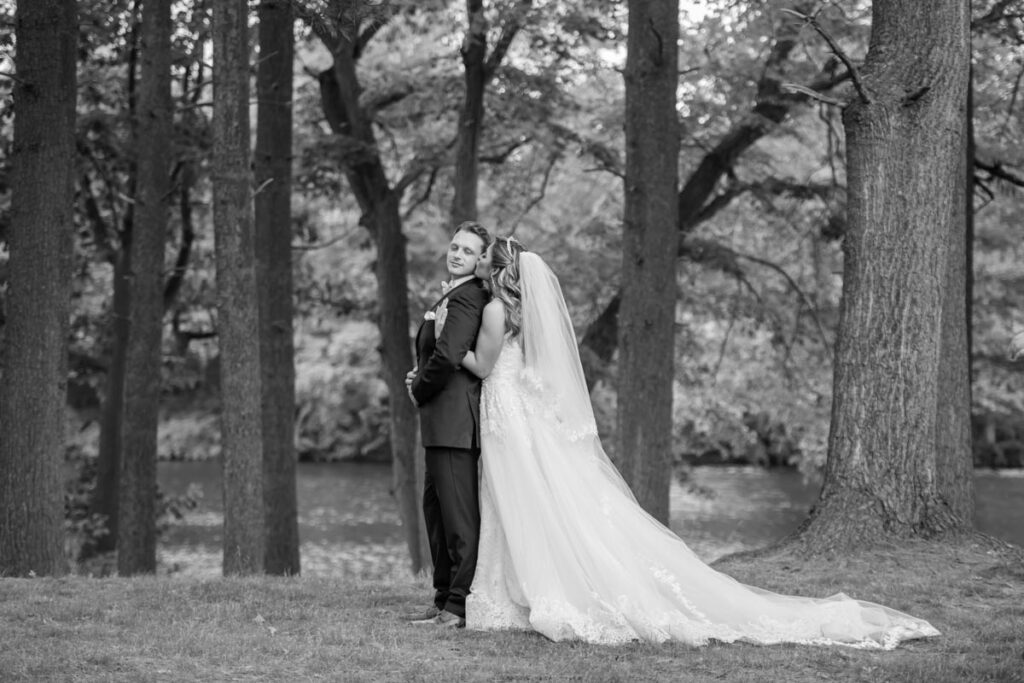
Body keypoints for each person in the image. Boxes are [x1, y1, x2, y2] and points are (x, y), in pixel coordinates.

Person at [453, 235, 940, 648]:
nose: (472, 261)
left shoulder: (495, 310)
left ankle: (529, 589)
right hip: (519, 417)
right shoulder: (520, 312)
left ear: (494, 269)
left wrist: (445, 346)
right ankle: (525, 586)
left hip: (510, 419)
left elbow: (485, 366)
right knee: (526, 502)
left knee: (515, 500)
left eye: (479, 257)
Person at [405, 221, 492, 628]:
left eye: (468, 251)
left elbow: (449, 354)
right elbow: (434, 355)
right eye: (455, 247)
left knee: (458, 518)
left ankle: (458, 606)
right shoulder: (452, 295)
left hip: (455, 421)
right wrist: (417, 374)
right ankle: (442, 598)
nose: (457, 254)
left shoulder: (468, 298)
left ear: (480, 262)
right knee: (436, 512)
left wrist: (419, 387)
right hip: (440, 422)